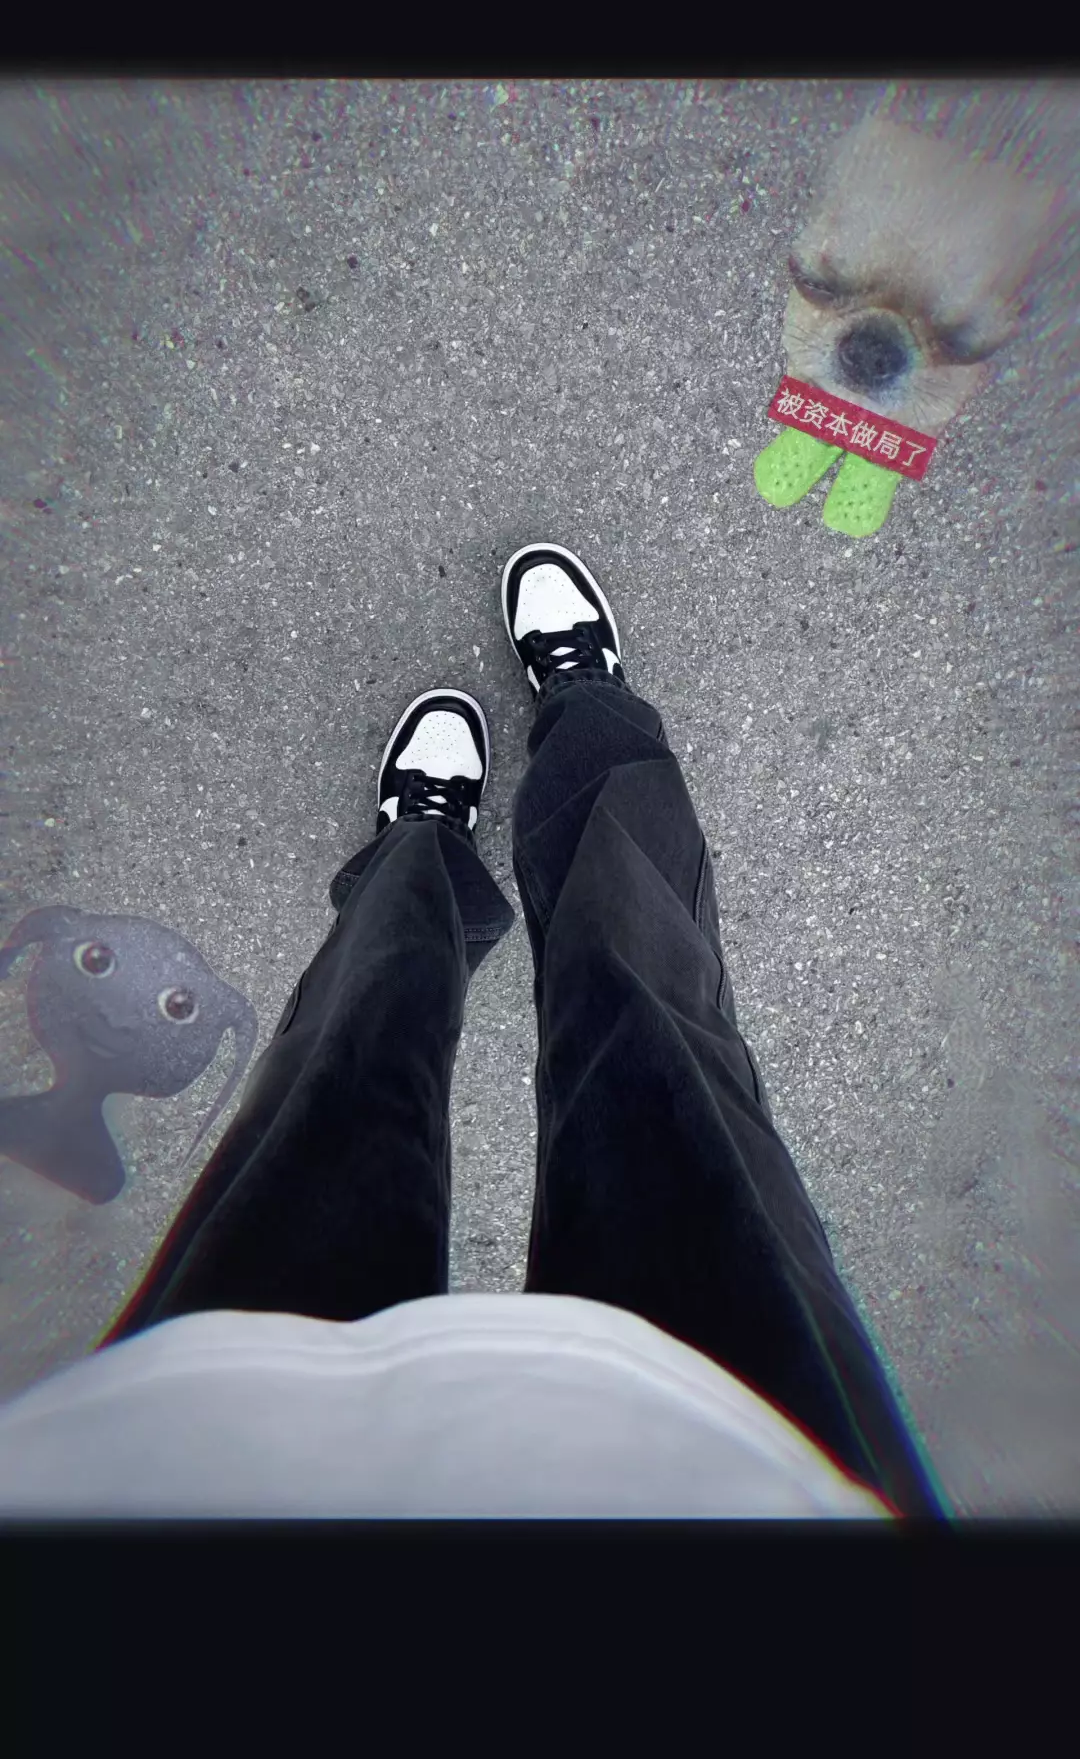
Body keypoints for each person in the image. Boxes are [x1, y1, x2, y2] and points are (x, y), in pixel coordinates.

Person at [0, 545, 950, 1519]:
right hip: (741, 1457)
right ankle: (589, 713)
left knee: (346, 1074)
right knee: (655, 1044)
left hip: (217, 1458)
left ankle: (422, 850)